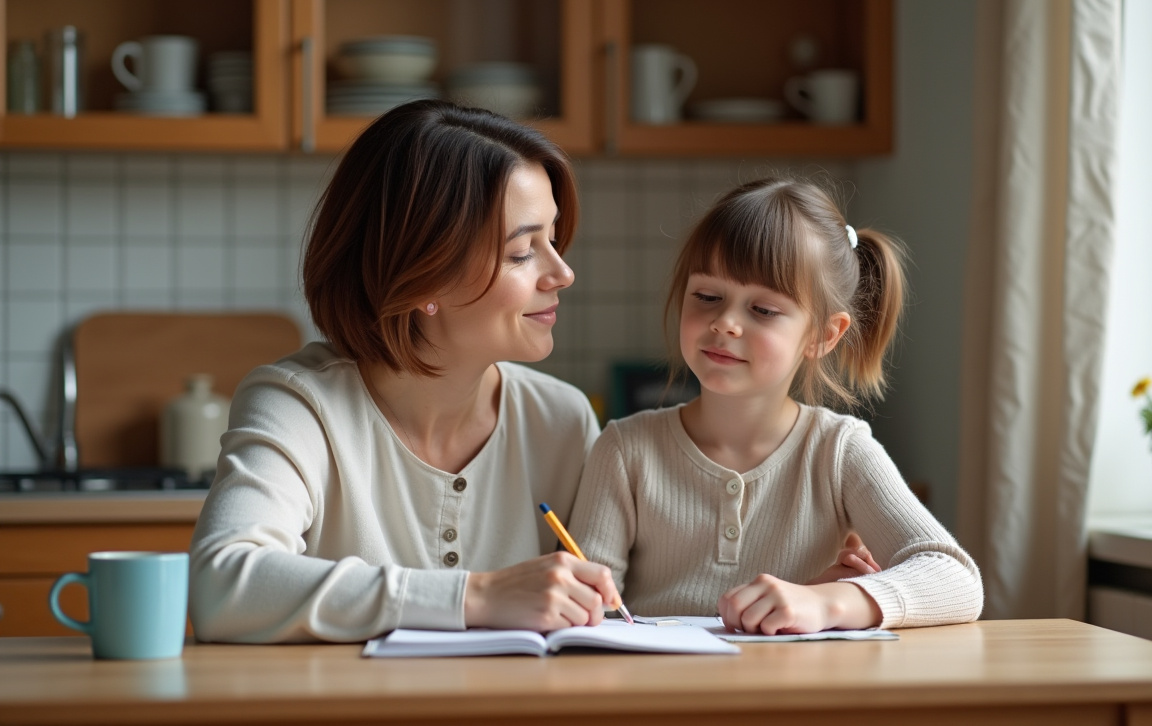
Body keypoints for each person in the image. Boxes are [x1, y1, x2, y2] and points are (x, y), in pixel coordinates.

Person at [189, 100, 621, 643]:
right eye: (520, 253)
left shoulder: (559, 419)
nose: (563, 272)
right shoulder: (299, 405)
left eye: (553, 240)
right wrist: (477, 596)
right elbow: (222, 587)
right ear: (422, 278)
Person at [570, 177, 984, 634]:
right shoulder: (624, 449)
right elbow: (585, 612)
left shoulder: (839, 450)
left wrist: (827, 602)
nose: (725, 322)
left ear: (823, 336)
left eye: (763, 310)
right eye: (707, 297)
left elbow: (956, 579)